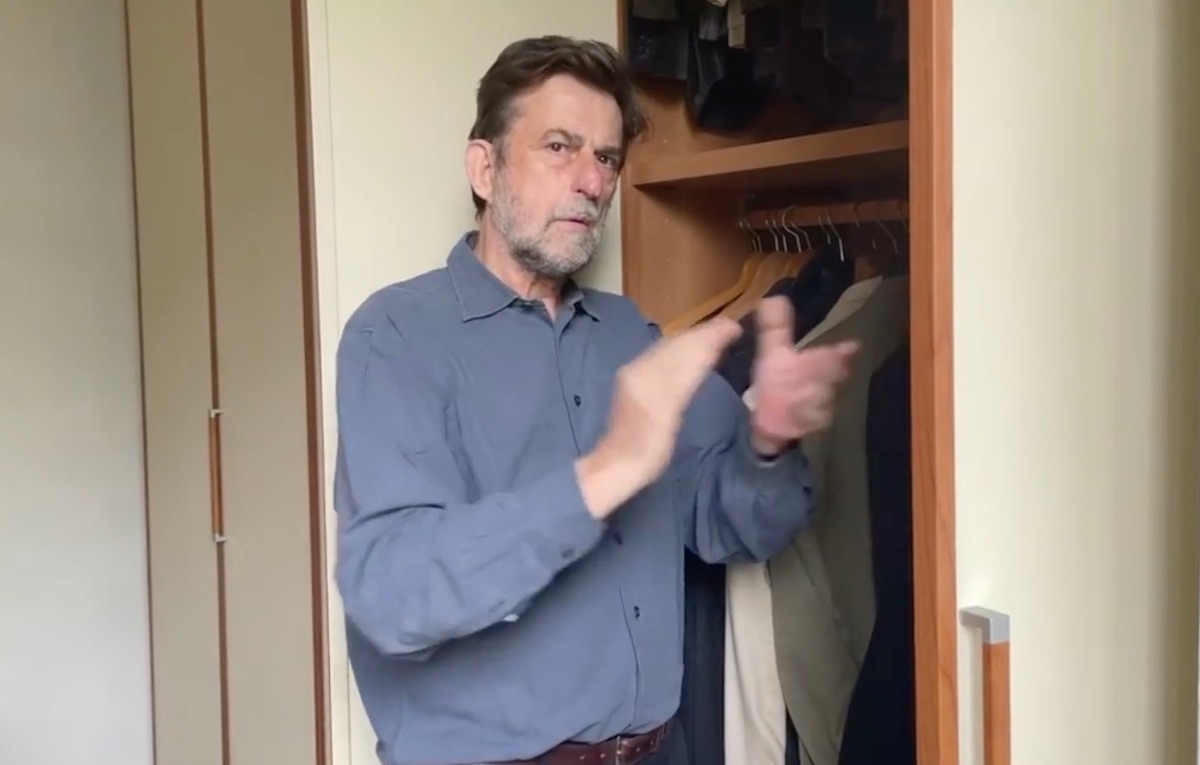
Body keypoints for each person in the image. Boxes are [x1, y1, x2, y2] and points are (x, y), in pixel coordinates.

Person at [332, 35, 857, 765]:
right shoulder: (395, 336)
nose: (591, 181)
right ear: (485, 168)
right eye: (559, 147)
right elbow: (396, 596)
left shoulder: (631, 335)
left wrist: (767, 442)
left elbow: (735, 529)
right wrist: (608, 470)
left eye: (607, 158)